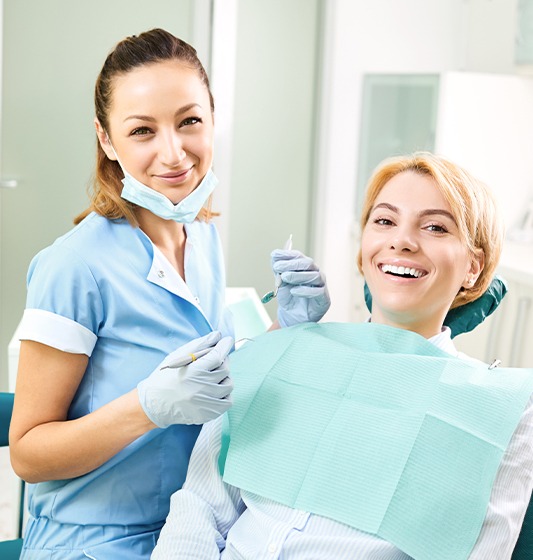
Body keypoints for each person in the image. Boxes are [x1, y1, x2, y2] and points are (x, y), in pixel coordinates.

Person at [8, 28, 330, 559]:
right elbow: (27, 454)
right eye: (142, 131)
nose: (174, 152)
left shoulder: (200, 237)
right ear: (107, 140)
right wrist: (147, 407)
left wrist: (285, 333)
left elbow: (208, 382)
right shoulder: (74, 267)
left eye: (189, 121)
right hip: (94, 544)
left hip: (193, 528)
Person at [152, 152, 533, 560]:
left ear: (473, 267)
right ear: (363, 248)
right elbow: (201, 505)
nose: (401, 240)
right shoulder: (284, 352)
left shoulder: (499, 410)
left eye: (436, 227)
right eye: (384, 221)